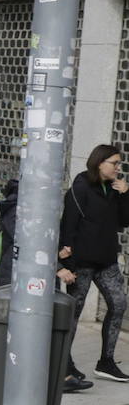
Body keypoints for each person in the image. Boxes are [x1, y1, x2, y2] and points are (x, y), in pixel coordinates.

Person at [59, 143, 129, 383]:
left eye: (119, 163)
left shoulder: (113, 188)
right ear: (100, 163)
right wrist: (64, 263)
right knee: (73, 314)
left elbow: (125, 221)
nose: (118, 168)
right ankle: (64, 364)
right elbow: (68, 223)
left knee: (119, 304)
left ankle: (106, 362)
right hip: (81, 262)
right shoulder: (80, 188)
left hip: (106, 260)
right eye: (115, 163)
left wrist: (125, 194)